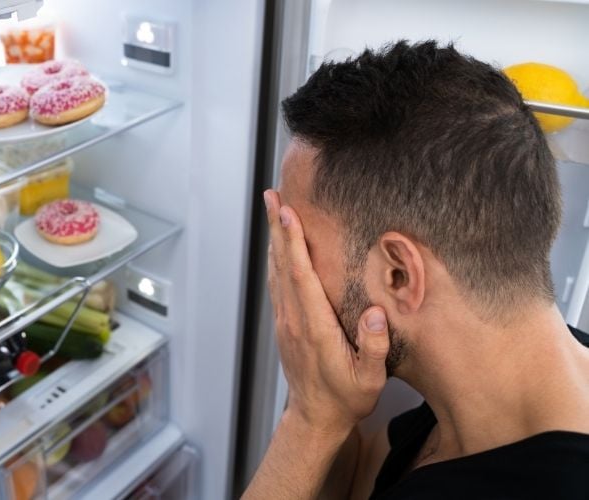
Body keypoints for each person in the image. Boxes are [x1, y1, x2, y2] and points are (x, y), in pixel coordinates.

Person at [243, 40, 589, 499]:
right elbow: (359, 479)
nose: (288, 270)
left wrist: (307, 421)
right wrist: (323, 407)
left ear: (399, 275)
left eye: (300, 244)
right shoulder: (498, 385)